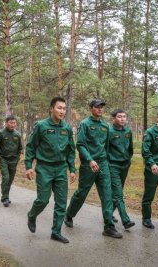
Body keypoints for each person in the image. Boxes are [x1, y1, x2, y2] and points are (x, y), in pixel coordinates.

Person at [65, 99, 122, 239]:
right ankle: (69, 214)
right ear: (91, 108)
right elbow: (80, 145)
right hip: (88, 165)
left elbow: (107, 146)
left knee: (107, 194)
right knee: (82, 193)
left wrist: (106, 161)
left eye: (102, 107)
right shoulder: (85, 124)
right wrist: (90, 160)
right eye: (97, 107)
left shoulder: (105, 126)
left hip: (103, 164)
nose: (100, 109)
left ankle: (108, 226)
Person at [25, 97, 76, 244]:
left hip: (61, 168)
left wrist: (72, 168)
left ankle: (56, 232)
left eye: (64, 108)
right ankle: (32, 215)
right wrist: (28, 166)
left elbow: (70, 150)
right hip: (44, 168)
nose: (62, 111)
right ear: (51, 109)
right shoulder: (41, 126)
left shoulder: (66, 128)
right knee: (43, 199)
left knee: (61, 202)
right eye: (59, 108)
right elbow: (31, 146)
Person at [108, 109, 135, 229]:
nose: (123, 119)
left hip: (125, 165)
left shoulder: (128, 131)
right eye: (119, 117)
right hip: (113, 165)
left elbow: (131, 149)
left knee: (117, 193)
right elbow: (105, 148)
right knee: (118, 194)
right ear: (113, 118)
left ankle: (108, 214)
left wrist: (128, 159)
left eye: (124, 116)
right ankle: (125, 220)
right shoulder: (108, 131)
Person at [0, 115, 23, 207]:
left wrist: (17, 158)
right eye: (11, 123)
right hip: (4, 160)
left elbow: (20, 148)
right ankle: (5, 198)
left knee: (10, 180)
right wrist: (0, 158)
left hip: (14, 160)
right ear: (6, 123)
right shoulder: (1, 133)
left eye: (14, 123)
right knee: (6, 178)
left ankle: (5, 195)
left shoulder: (17, 134)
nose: (12, 125)